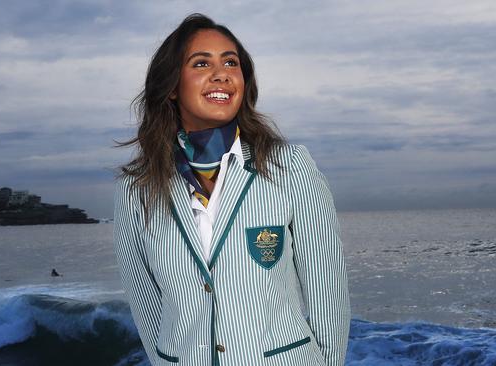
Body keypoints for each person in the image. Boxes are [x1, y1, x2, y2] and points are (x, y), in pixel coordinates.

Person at [114, 13, 350, 366]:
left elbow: (326, 290)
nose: (221, 72)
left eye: (230, 62)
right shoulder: (137, 189)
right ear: (173, 86)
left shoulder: (289, 167)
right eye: (201, 63)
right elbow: (147, 304)